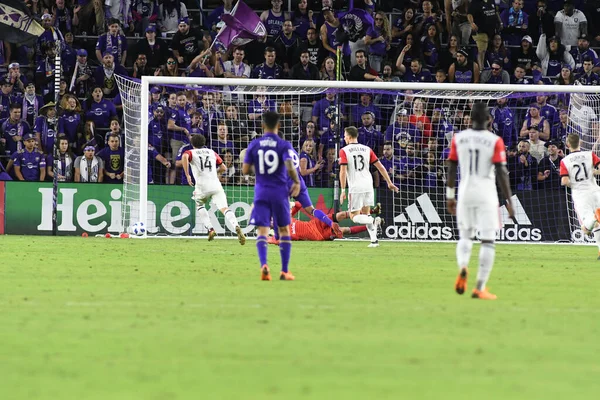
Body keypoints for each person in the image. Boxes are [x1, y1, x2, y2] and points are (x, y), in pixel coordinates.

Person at [446, 102, 514, 300]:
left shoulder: (459, 138)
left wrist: (450, 196)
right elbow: (501, 172)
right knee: (487, 240)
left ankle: (463, 266)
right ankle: (480, 287)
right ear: (488, 120)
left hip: (465, 191)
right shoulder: (494, 140)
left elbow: (451, 168)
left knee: (465, 237)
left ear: (470, 118)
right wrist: (509, 200)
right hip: (486, 192)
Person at [242, 111, 301, 281]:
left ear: (262, 125)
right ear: (279, 125)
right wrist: (296, 181)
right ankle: (284, 271)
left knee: (262, 231)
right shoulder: (283, 145)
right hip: (279, 192)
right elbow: (290, 165)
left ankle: (264, 266)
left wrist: (259, 170)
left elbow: (245, 170)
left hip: (261, 191)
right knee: (283, 230)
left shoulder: (254, 144)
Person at [339, 126, 399, 248]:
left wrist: (343, 190)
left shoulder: (344, 150)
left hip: (356, 186)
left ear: (349, 137)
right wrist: (389, 182)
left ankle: (373, 221)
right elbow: (380, 167)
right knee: (365, 214)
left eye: (345, 135)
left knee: (354, 216)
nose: (344, 137)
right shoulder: (367, 149)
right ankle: (374, 241)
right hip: (368, 184)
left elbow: (343, 171)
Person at [181, 134, 246, 244]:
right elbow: (224, 168)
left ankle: (210, 228)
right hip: (216, 185)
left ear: (192, 144)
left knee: (199, 205)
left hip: (202, 186)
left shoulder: (191, 152)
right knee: (224, 208)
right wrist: (213, 172)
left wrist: (187, 175)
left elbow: (184, 157)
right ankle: (236, 225)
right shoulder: (212, 152)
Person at [560, 133, 600, 259]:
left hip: (581, 195)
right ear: (580, 143)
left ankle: (595, 216)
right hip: (595, 191)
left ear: (567, 144)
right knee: (597, 226)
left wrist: (576, 184)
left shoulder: (564, 161)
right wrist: (595, 172)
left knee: (586, 228)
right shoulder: (590, 154)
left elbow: (564, 181)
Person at [267, 201, 369, 243]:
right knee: (344, 230)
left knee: (340, 215)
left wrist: (291, 203)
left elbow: (298, 204)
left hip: (316, 223)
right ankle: (370, 226)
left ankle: (366, 213)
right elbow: (275, 241)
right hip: (318, 235)